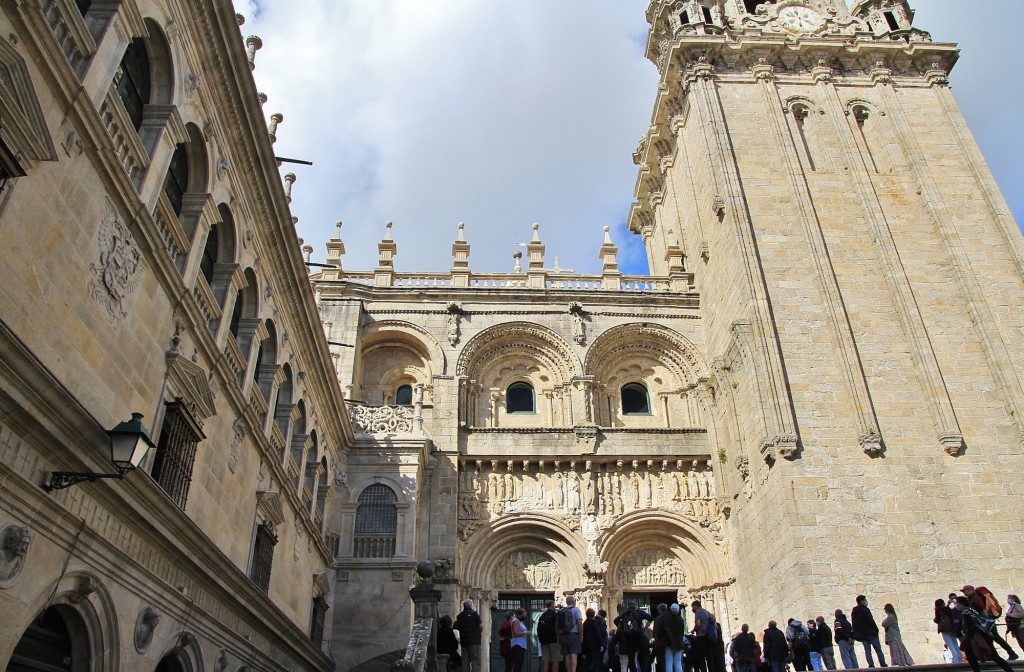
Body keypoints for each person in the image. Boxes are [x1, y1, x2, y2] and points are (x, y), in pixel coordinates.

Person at [956, 595, 1014, 672]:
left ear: (961, 603)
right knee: (994, 657)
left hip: (976, 638)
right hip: (984, 636)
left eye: (957, 603)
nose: (957, 605)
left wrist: (966, 637)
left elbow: (970, 626)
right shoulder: (972, 610)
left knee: (973, 658)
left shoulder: (966, 613)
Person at [961, 585, 1018, 660]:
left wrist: (985, 621)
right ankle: (999, 655)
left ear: (969, 590)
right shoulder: (972, 597)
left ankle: (1008, 654)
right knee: (993, 638)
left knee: (995, 637)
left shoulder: (975, 597)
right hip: (986, 621)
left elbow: (983, 609)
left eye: (964, 591)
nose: (963, 592)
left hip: (986, 622)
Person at [851, 595, 886, 668]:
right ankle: (883, 664)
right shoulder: (865, 609)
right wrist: (876, 630)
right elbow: (870, 620)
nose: (866, 601)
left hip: (863, 635)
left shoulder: (854, 612)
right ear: (861, 601)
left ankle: (871, 665)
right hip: (871, 633)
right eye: (864, 600)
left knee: (867, 651)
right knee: (878, 650)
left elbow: (854, 624)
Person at [656, 603, 687, 672]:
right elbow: (682, 632)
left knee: (669, 662)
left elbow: (659, 631)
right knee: (678, 662)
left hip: (668, 643)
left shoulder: (665, 618)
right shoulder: (681, 620)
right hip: (678, 643)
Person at [455, 599, 483, 672]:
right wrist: (478, 633)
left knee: (465, 661)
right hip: (474, 641)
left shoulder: (459, 616)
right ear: (471, 605)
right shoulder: (474, 614)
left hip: (464, 641)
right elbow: (480, 626)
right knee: (476, 661)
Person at [691, 600, 717, 672]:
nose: (692, 609)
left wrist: (693, 630)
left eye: (692, 607)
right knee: (709, 656)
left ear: (695, 606)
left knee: (701, 656)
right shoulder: (706, 612)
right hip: (708, 636)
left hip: (701, 636)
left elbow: (698, 624)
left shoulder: (698, 612)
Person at [934, 598, 962, 663]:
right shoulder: (948, 609)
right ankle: (959, 661)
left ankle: (956, 662)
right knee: (956, 645)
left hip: (944, 629)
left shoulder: (938, 610)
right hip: (951, 629)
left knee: (951, 646)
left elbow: (937, 620)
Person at [562, 595, 586, 672]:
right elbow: (579, 622)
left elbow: (557, 625)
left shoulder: (562, 611)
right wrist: (581, 635)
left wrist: (558, 636)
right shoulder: (576, 610)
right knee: (573, 655)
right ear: (574, 602)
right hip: (574, 635)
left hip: (564, 635)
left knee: (567, 656)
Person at [538, 601, 562, 672]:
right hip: (554, 640)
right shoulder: (555, 615)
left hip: (544, 642)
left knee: (546, 661)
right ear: (552, 605)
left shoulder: (542, 616)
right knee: (556, 660)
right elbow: (558, 627)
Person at [584, 608, 606, 672]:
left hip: (587, 645)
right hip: (595, 646)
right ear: (593, 615)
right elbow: (597, 635)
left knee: (588, 661)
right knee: (596, 662)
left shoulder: (585, 623)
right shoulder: (594, 623)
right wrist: (601, 644)